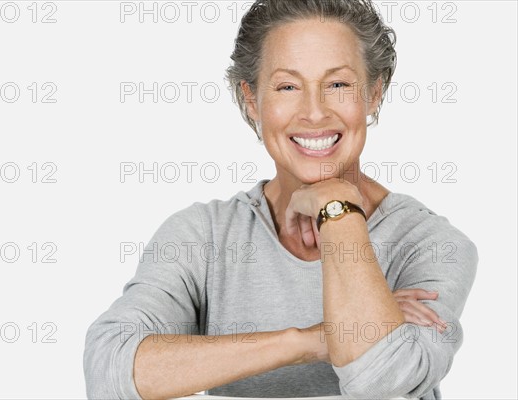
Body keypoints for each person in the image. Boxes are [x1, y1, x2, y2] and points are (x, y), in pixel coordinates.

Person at [83, 0, 478, 399]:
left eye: (338, 84)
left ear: (374, 93)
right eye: (287, 86)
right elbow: (111, 373)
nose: (314, 112)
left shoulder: (431, 245)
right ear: (252, 99)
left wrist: (338, 209)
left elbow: (384, 381)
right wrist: (308, 341)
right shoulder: (203, 236)